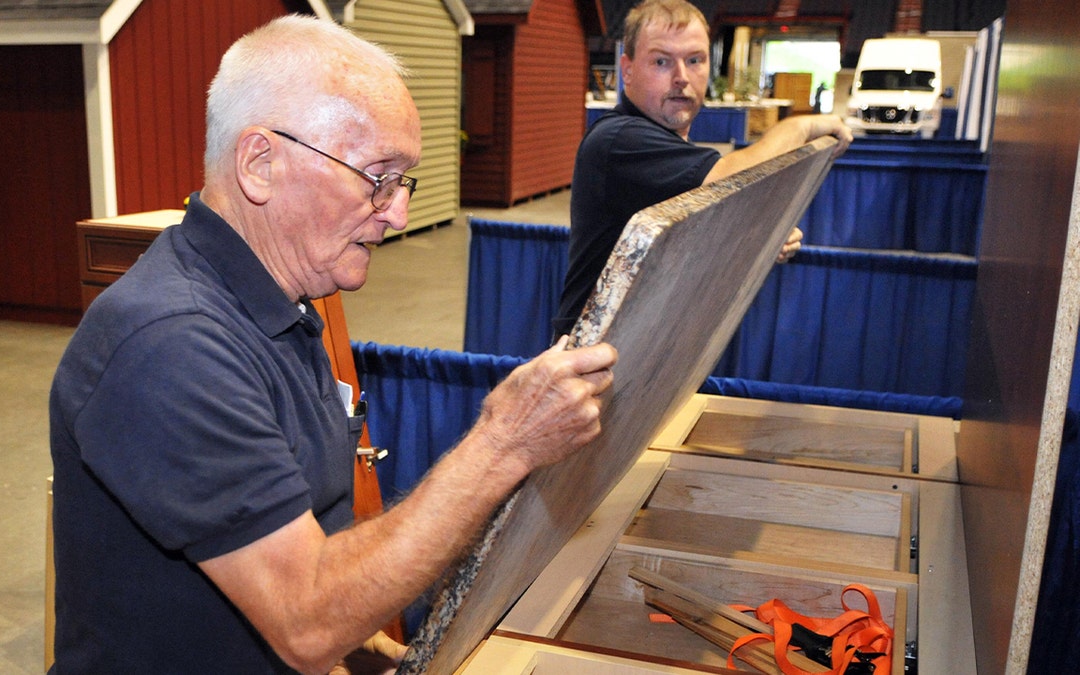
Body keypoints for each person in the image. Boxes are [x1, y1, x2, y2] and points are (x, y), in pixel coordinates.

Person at [48, 15, 617, 674]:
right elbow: (305, 617)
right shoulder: (169, 345)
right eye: (377, 176)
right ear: (260, 163)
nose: (398, 212)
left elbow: (296, 543)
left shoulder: (282, 302)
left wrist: (373, 649)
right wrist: (504, 440)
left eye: (403, 181)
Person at [552, 0, 853, 339]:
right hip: (588, 364)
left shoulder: (672, 150)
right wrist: (797, 129)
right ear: (628, 69)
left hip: (645, 352)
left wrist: (763, 234)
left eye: (694, 60)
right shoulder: (620, 140)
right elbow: (732, 178)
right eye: (661, 61)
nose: (681, 77)